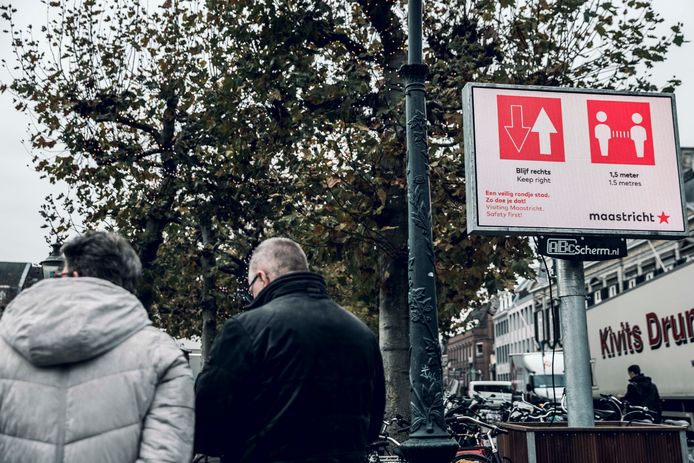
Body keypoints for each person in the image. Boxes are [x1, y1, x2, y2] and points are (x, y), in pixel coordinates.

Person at [0, 231, 195, 462]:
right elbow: (165, 456)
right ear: (129, 284)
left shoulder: (6, 342)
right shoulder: (162, 355)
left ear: (67, 274)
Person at [195, 237, 385, 463]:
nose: (252, 295)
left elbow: (205, 426)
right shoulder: (362, 334)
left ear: (262, 277)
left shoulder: (247, 329)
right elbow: (372, 426)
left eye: (250, 288)